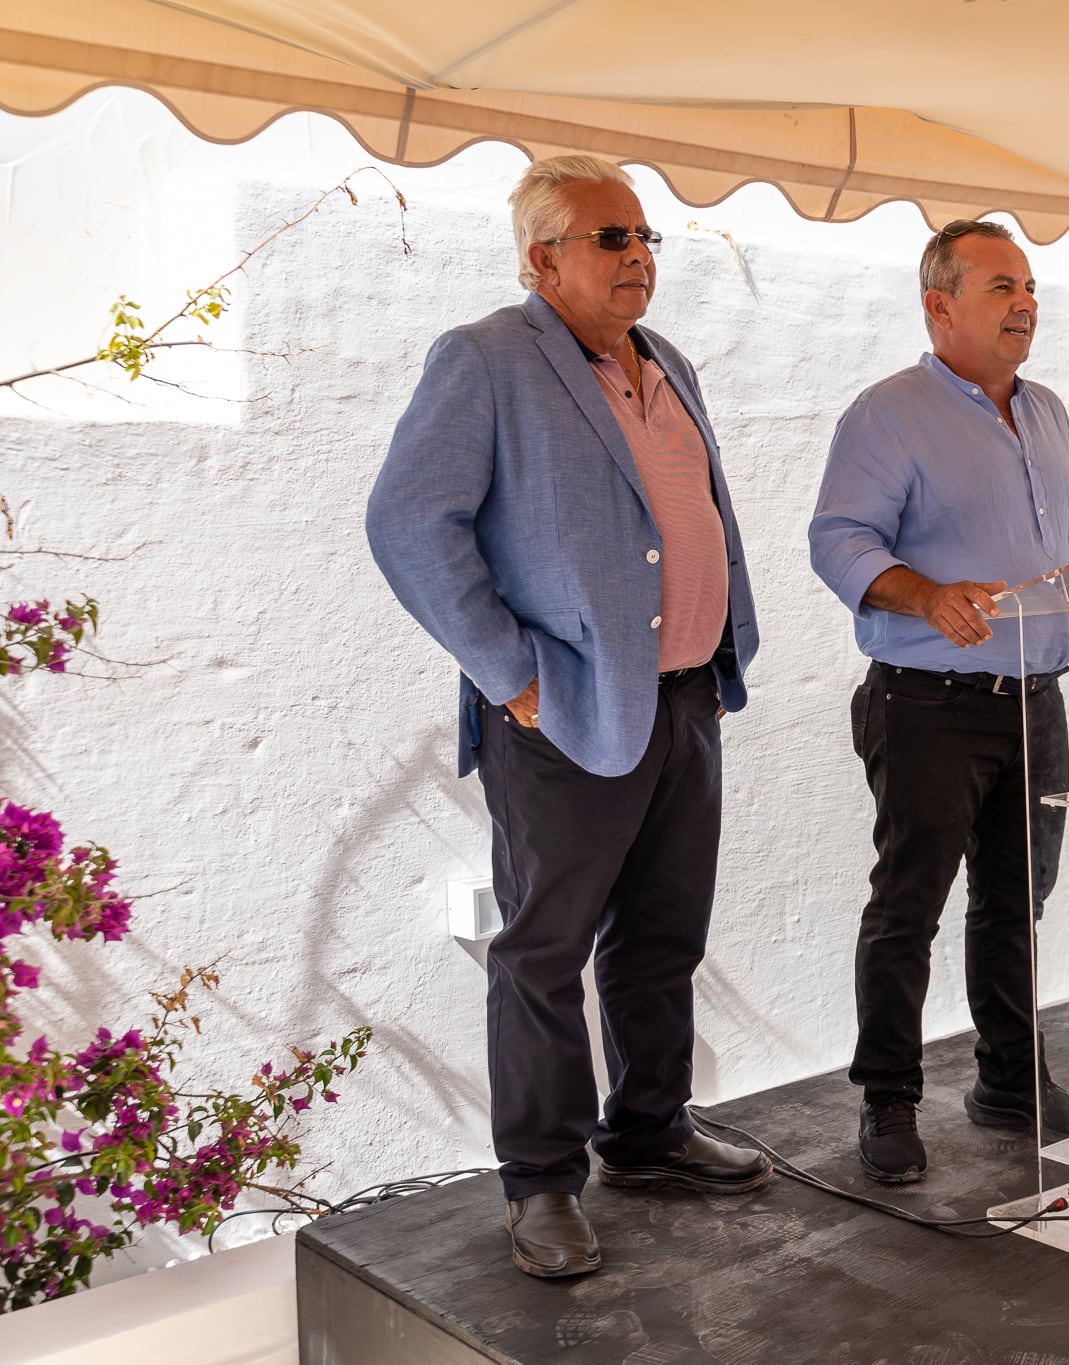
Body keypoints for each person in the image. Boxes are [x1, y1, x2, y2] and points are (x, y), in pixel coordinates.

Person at [366, 155, 770, 1279]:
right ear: (543, 257)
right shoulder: (487, 358)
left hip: (685, 698)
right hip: (563, 714)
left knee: (662, 940)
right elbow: (409, 523)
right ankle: (541, 1182)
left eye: (645, 238)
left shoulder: (667, 361)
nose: (639, 256)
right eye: (611, 239)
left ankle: (647, 1134)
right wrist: (510, 676)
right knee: (541, 953)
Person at [809, 219, 1069, 1184]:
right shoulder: (888, 413)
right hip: (930, 702)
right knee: (909, 908)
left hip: (1036, 698)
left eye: (1029, 287)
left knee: (1011, 906)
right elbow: (839, 539)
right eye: (1000, 287)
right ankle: (889, 1102)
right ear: (939, 305)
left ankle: (1008, 1082)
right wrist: (926, 593)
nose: (1025, 302)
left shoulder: (1047, 417)